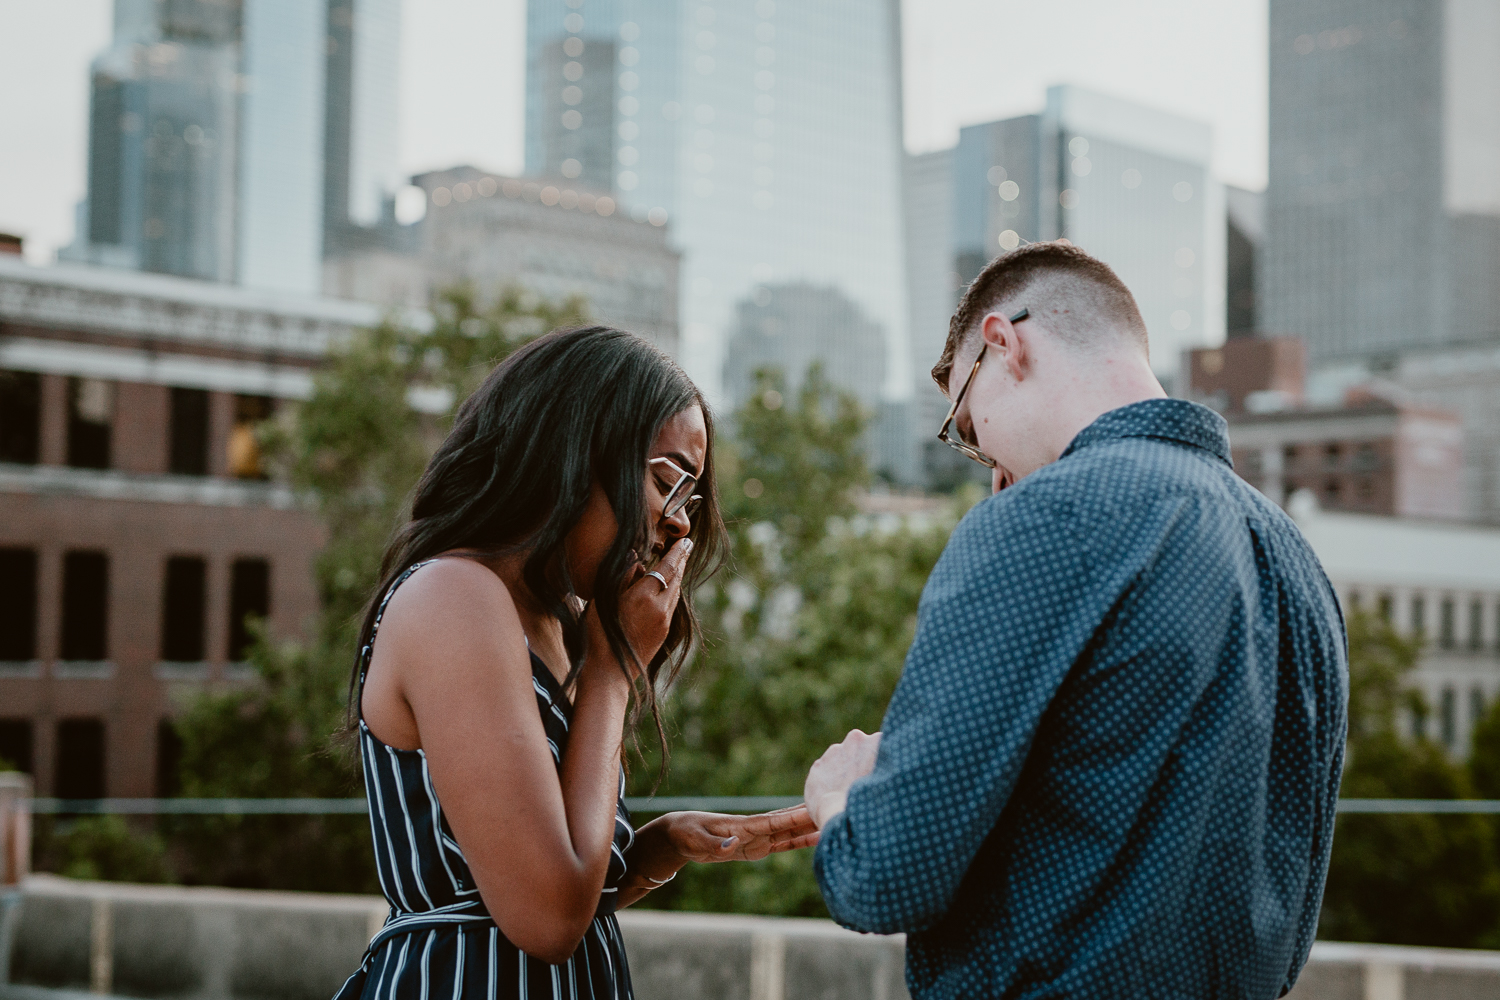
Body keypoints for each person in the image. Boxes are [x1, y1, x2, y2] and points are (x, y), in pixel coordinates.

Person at [804, 243, 1348, 999]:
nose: (986, 460)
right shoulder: (1297, 564)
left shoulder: (1043, 517)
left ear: (1005, 343)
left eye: (966, 423)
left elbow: (884, 877)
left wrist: (842, 799)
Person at [334, 326, 819, 1000]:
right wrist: (614, 670)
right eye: (666, 483)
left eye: (691, 500)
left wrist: (661, 846)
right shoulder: (457, 597)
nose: (680, 525)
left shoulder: (553, 620)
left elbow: (547, 882)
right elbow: (547, 917)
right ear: (574, 452)